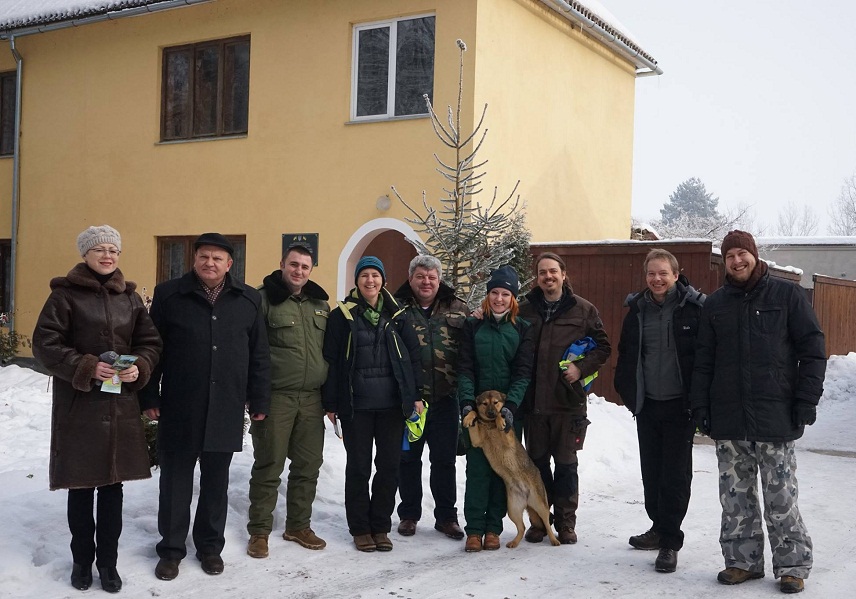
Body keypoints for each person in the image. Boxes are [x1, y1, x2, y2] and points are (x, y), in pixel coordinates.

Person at [690, 230, 826, 594]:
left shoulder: (787, 295)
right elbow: (704, 360)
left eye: (742, 253)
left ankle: (792, 565)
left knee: (781, 497)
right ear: (725, 261)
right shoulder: (716, 304)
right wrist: (700, 405)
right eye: (730, 255)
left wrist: (806, 399)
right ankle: (742, 562)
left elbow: (812, 350)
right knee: (736, 496)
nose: (737, 260)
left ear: (753, 255)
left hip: (776, 416)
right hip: (729, 417)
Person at [32, 225, 162, 593]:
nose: (108, 256)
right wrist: (86, 366)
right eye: (100, 249)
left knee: (112, 489)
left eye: (114, 251)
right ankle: (81, 562)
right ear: (85, 254)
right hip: (80, 406)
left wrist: (140, 365)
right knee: (81, 487)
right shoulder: (65, 296)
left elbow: (150, 341)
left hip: (120, 405)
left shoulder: (130, 299)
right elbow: (45, 344)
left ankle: (108, 564)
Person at [140, 233, 270, 581]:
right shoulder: (169, 295)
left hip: (226, 403)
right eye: (203, 257)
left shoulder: (248, 299)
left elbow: (258, 354)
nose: (209, 263)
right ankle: (170, 550)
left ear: (230, 264)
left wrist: (258, 399)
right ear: (193, 260)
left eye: (217, 258)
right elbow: (154, 349)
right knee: (175, 482)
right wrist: (149, 395)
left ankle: (210, 548)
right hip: (181, 403)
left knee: (216, 482)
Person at [321, 256, 423, 552]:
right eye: (364, 275)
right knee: (359, 468)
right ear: (357, 281)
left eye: (375, 276)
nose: (370, 281)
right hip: (357, 407)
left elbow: (413, 357)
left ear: (383, 281)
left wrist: (415, 395)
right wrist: (331, 402)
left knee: (389, 466)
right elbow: (331, 360)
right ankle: (360, 528)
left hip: (392, 406)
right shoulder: (342, 315)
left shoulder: (398, 314)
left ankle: (380, 526)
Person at [614, 249, 705, 573]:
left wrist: (698, 401)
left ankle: (670, 541)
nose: (657, 279)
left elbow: (703, 356)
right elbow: (626, 354)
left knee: (675, 478)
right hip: (648, 405)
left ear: (676, 275)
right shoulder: (637, 310)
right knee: (651, 474)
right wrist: (628, 392)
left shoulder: (694, 309)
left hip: (680, 407)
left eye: (663, 273)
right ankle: (657, 528)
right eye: (652, 273)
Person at [518, 252, 610, 545]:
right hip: (534, 405)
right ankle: (540, 522)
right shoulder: (524, 310)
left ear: (563, 274)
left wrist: (580, 368)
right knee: (537, 466)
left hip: (568, 404)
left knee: (567, 466)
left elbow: (603, 347)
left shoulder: (583, 310)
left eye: (553, 271)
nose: (548, 277)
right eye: (542, 272)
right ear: (537, 278)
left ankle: (567, 523)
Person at [246, 243, 330, 557]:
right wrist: (254, 397)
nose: (298, 271)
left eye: (305, 267)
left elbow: (328, 353)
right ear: (282, 263)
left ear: (311, 270)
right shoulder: (261, 300)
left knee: (308, 465)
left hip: (311, 399)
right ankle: (259, 531)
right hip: (276, 397)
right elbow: (250, 350)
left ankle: (298, 525)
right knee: (269, 465)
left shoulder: (320, 304)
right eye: (293, 264)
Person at [458, 265, 535, 552]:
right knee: (477, 469)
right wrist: (467, 402)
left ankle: (494, 528)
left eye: (505, 294)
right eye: (494, 293)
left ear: (513, 298)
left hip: (506, 412)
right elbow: (465, 367)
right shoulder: (473, 326)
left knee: (503, 471)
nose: (499, 298)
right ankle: (475, 530)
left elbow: (523, 371)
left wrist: (511, 405)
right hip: (477, 412)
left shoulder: (522, 329)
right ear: (487, 295)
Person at [394, 255, 468, 541]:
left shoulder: (459, 308)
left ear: (439, 280)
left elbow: (468, 351)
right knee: (408, 460)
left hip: (445, 400)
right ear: (411, 278)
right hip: (410, 403)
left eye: (432, 277)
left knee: (444, 461)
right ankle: (409, 515)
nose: (426, 282)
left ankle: (447, 517)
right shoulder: (397, 308)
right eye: (421, 276)